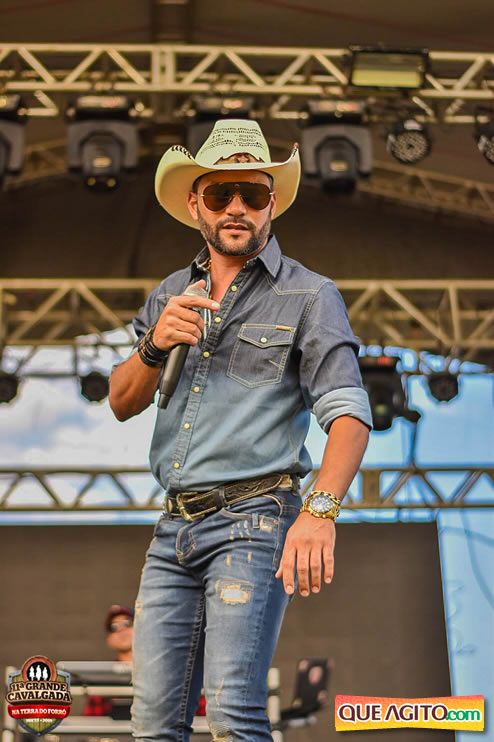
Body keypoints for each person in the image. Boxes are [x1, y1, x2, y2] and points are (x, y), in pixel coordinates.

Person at [109, 119, 372, 742]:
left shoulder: (310, 295)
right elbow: (121, 401)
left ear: (271, 203)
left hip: (254, 521)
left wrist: (320, 512)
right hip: (172, 530)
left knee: (233, 715)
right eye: (220, 193)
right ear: (195, 203)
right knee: (151, 726)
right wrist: (153, 344)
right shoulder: (171, 293)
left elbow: (349, 414)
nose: (236, 208)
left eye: (251, 194)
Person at [83, 605, 134, 716]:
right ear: (109, 640)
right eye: (113, 627)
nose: (122, 630)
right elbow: (92, 720)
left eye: (127, 623)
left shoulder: (156, 671)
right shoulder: (102, 679)